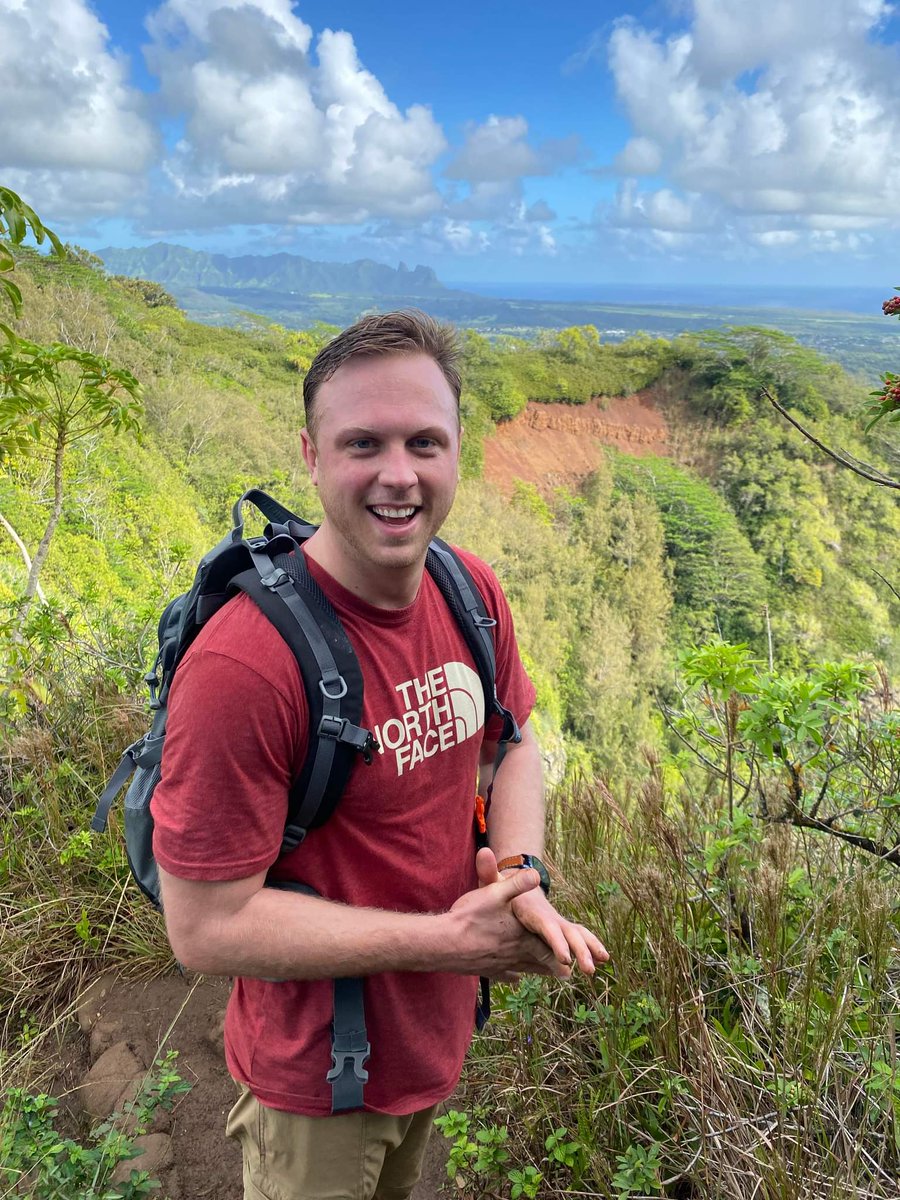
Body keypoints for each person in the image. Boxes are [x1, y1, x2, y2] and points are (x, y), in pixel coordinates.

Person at [151, 310, 608, 1200]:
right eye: (364, 442)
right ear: (313, 455)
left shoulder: (468, 589)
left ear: (457, 450)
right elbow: (202, 927)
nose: (398, 475)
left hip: (430, 1039)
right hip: (316, 1084)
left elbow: (511, 741)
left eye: (424, 442)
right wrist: (444, 943)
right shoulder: (246, 668)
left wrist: (519, 878)